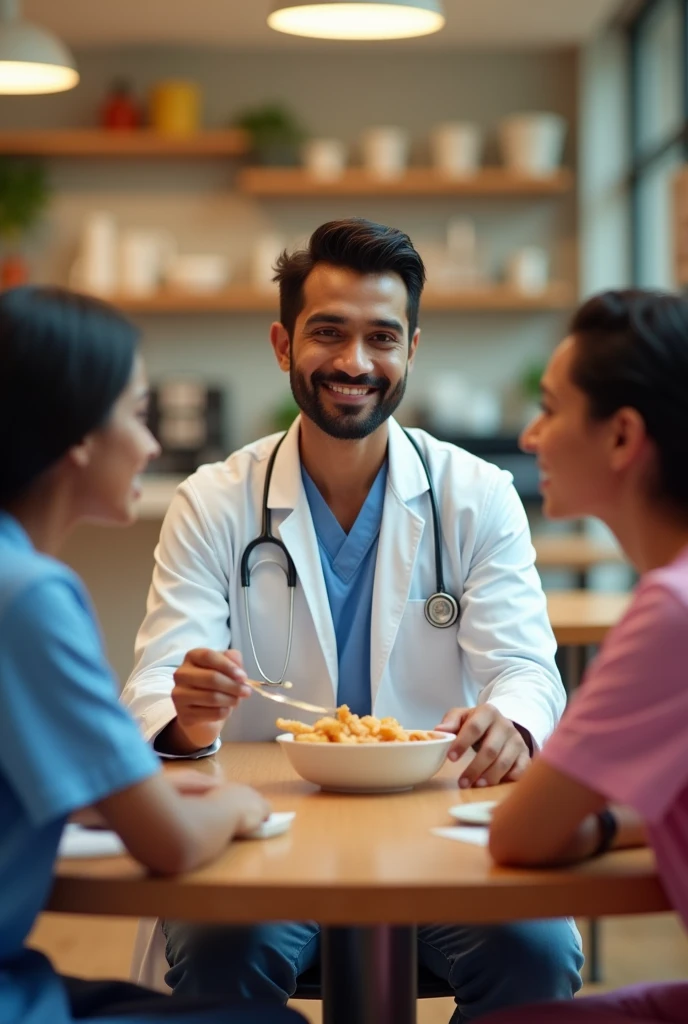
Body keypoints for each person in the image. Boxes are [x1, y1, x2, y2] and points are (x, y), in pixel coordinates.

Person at [122, 218, 583, 1021]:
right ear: (281, 343)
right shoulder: (214, 500)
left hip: (441, 827)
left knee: (535, 953)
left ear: (411, 349)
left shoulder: (477, 495)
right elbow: (157, 684)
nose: (355, 363)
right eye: (328, 333)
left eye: (381, 337)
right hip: (265, 832)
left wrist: (510, 721)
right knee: (220, 949)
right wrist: (189, 715)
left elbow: (526, 672)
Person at [0, 286, 304, 1024]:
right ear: (76, 434)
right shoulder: (29, 597)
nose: (153, 444)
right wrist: (234, 803)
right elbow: (168, 846)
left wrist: (140, 798)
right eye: (137, 415)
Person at [481, 289, 688, 1023]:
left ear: (622, 437)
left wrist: (595, 821)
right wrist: (608, 821)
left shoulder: (671, 613)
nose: (532, 436)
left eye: (550, 407)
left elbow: (519, 834)